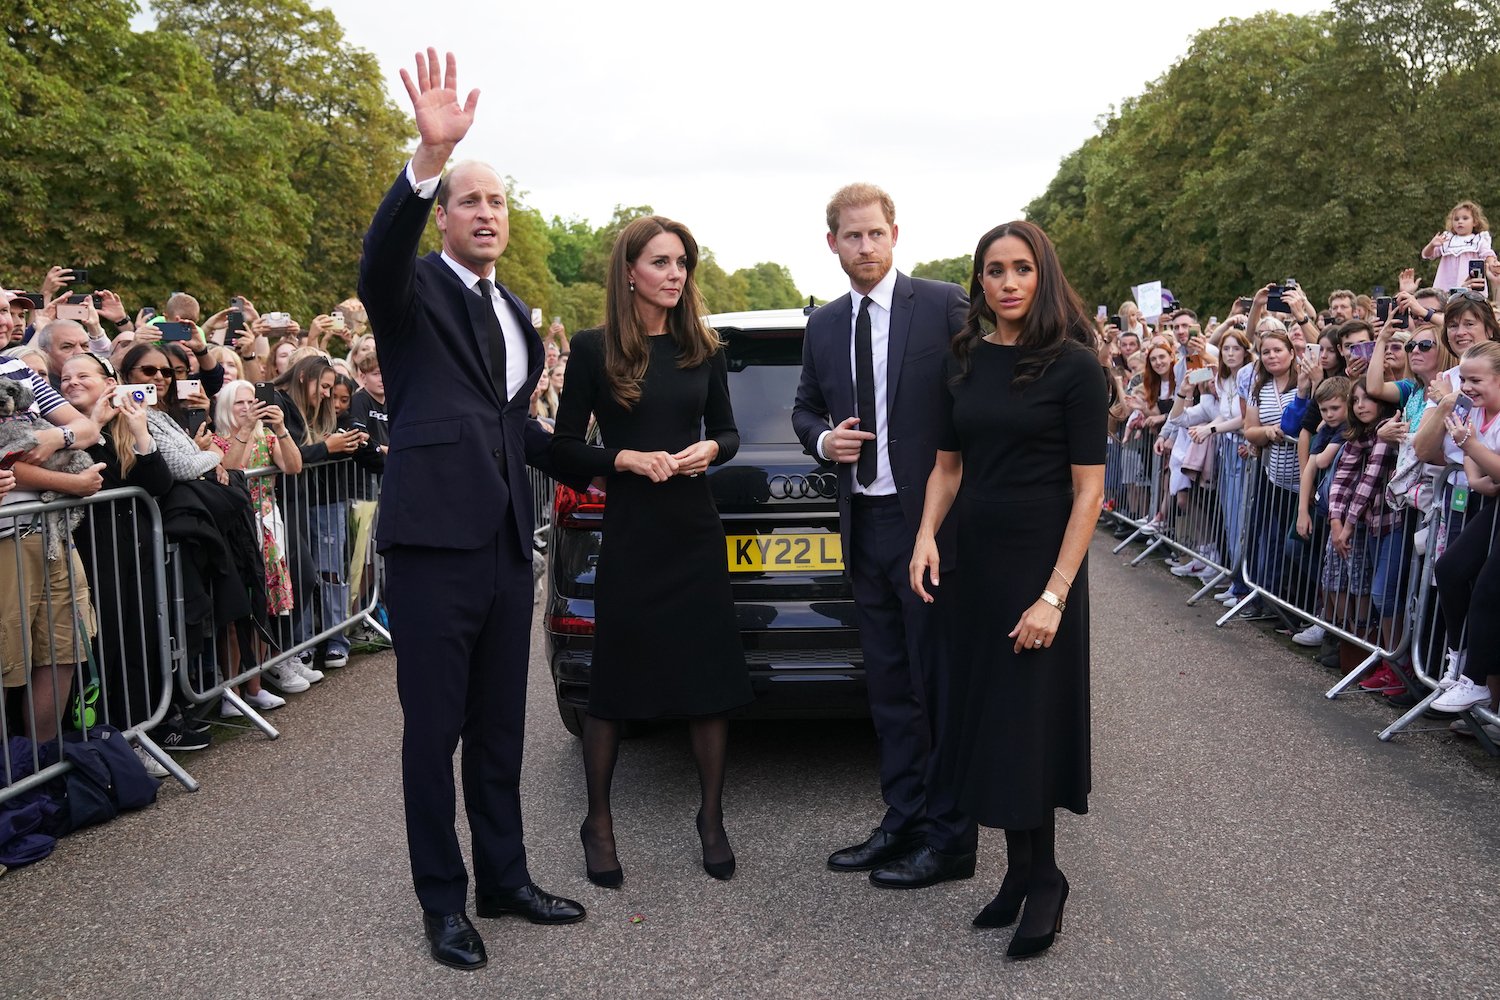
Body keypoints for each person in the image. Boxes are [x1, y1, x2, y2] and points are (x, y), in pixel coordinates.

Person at [357, 48, 584, 971]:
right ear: (443, 216)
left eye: (497, 202)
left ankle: (507, 878)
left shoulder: (519, 312)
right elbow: (378, 259)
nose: (487, 212)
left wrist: (618, 461)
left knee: (501, 728)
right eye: (469, 200)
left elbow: (516, 432)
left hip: (501, 548)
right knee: (434, 735)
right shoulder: (408, 294)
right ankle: (442, 904)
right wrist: (425, 157)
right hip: (430, 549)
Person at [908, 220, 1104, 959]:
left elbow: (1090, 493)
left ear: (1042, 275)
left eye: (1022, 268)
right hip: (980, 564)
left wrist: (1054, 594)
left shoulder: (1076, 367)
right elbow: (948, 467)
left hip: (1042, 563)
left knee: (1030, 721)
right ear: (979, 283)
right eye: (994, 270)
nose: (1009, 281)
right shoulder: (963, 360)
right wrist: (927, 535)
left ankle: (1046, 878)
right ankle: (1021, 873)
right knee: (994, 718)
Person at [549, 215, 752, 889]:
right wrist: (624, 458)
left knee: (708, 681)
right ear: (630, 272)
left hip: (694, 529)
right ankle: (598, 824)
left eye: (682, 263)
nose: (675, 274)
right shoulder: (593, 348)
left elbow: (727, 431)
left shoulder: (703, 346)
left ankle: (712, 820)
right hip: (633, 531)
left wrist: (711, 450)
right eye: (661, 262)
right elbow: (564, 450)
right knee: (614, 683)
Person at [791, 183, 976, 889]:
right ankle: (902, 819)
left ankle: (951, 838)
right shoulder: (824, 325)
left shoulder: (943, 303)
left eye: (875, 234)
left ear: (894, 234)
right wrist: (820, 439)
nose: (864, 247)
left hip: (928, 528)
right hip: (863, 523)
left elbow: (979, 397)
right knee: (889, 687)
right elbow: (806, 405)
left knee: (938, 685)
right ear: (832, 242)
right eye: (851, 236)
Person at [1422, 200, 1495, 293]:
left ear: (1475, 222)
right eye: (1456, 219)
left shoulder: (1479, 239)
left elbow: (1488, 254)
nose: (1460, 222)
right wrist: (1432, 245)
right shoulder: (1447, 239)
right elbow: (1427, 255)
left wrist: (1493, 265)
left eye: (1465, 218)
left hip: (1469, 284)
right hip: (1445, 285)